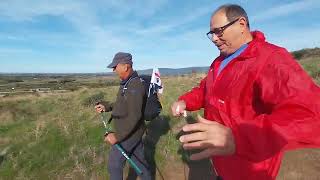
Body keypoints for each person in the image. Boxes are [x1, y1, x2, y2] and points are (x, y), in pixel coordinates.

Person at [171, 4, 320, 180]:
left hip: (251, 168)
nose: (214, 39)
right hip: (221, 162)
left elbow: (308, 115)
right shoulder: (218, 63)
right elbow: (205, 90)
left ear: (241, 24)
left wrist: (238, 138)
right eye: (211, 34)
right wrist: (185, 101)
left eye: (219, 31)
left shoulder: (271, 59)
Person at [95, 52, 151, 180]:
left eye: (115, 66)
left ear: (125, 66)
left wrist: (117, 136)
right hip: (133, 132)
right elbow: (123, 104)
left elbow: (134, 115)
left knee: (114, 165)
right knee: (140, 163)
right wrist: (107, 107)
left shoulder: (134, 85)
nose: (113, 69)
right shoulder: (127, 83)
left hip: (128, 135)